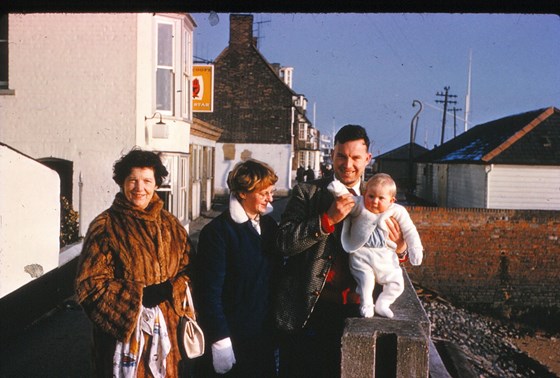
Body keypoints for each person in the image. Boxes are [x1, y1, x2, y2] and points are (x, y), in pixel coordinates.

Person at [274, 124, 408, 377]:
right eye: (341, 156)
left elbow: (391, 255)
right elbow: (283, 243)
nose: (348, 164)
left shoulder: (380, 195)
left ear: (367, 159)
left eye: (356, 157)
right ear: (332, 155)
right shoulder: (308, 192)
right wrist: (326, 220)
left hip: (360, 311)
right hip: (312, 311)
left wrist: (400, 249)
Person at [75, 148, 194, 377]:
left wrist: (172, 288)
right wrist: (138, 297)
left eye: (147, 181)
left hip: (167, 337)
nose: (140, 188)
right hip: (124, 342)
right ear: (122, 183)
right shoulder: (106, 226)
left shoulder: (171, 224)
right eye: (133, 181)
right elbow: (89, 286)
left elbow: (189, 268)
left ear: (157, 184)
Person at [194, 159, 281, 377]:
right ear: (242, 193)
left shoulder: (270, 226)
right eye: (264, 193)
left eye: (271, 192)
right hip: (232, 337)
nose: (270, 199)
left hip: (262, 335)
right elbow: (208, 293)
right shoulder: (217, 233)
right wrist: (220, 339)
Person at [328, 173, 423, 319]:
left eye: (381, 198)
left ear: (391, 200)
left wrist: (415, 248)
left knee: (397, 283)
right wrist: (338, 189)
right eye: (371, 196)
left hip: (385, 256)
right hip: (361, 254)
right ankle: (366, 304)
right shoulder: (360, 205)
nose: (374, 201)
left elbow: (410, 230)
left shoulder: (398, 211)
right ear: (365, 193)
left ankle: (383, 303)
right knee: (366, 281)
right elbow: (348, 199)